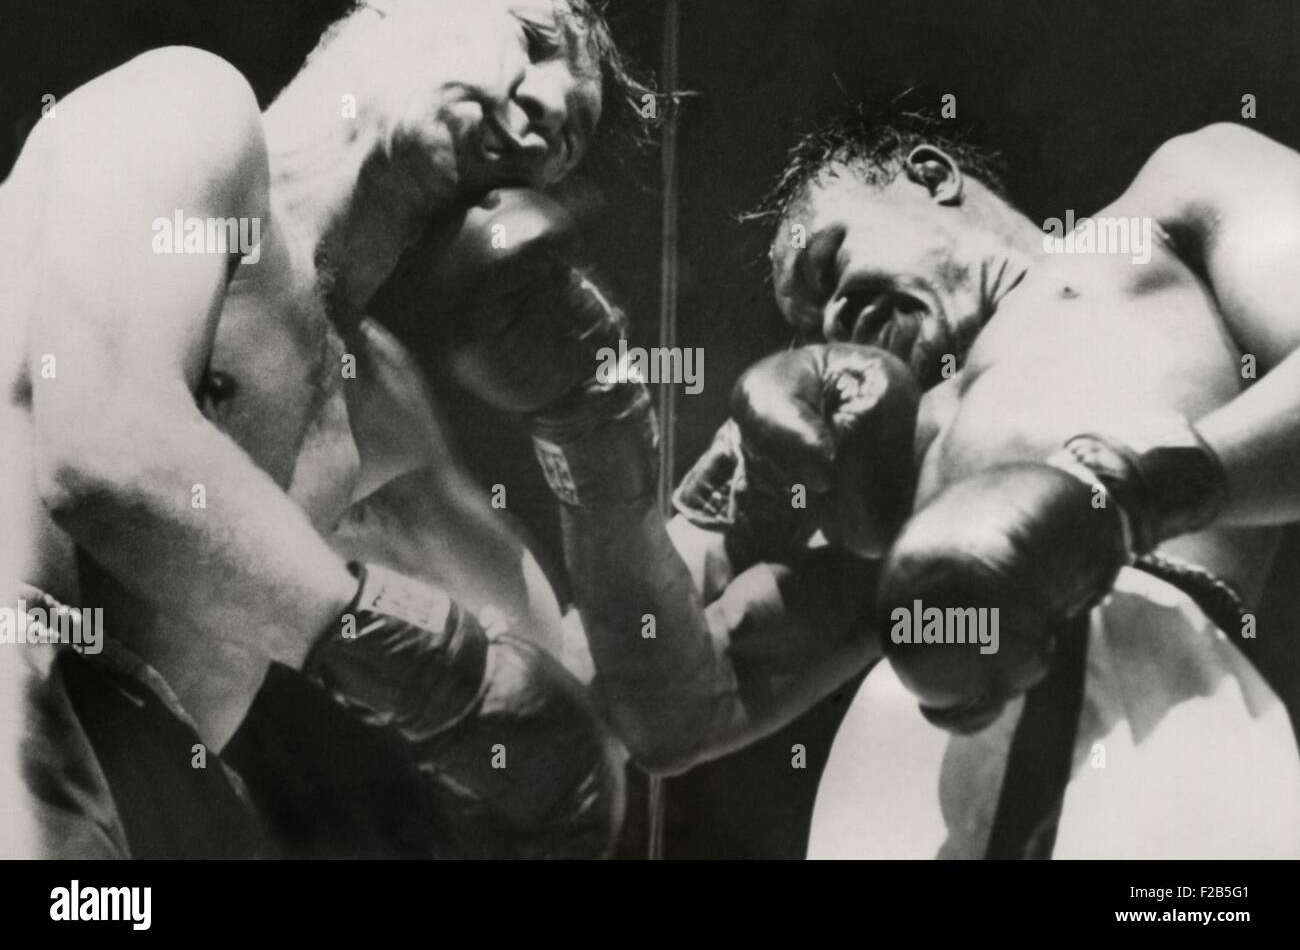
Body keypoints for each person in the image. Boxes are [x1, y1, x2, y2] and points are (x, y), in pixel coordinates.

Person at [504, 106, 1300, 857]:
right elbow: (670, 716)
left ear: (928, 174)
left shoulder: (1169, 201)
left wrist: (1123, 500)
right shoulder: (883, 448)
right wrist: (592, 438)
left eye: (829, 262)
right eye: (808, 322)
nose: (833, 319)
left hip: (1149, 709)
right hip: (903, 777)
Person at [0, 0, 641, 859]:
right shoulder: (187, 108)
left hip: (163, 801)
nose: (544, 108)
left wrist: (596, 427)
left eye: (569, 134)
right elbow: (107, 450)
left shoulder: (378, 399)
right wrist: (424, 671)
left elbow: (560, 681)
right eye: (531, 41)